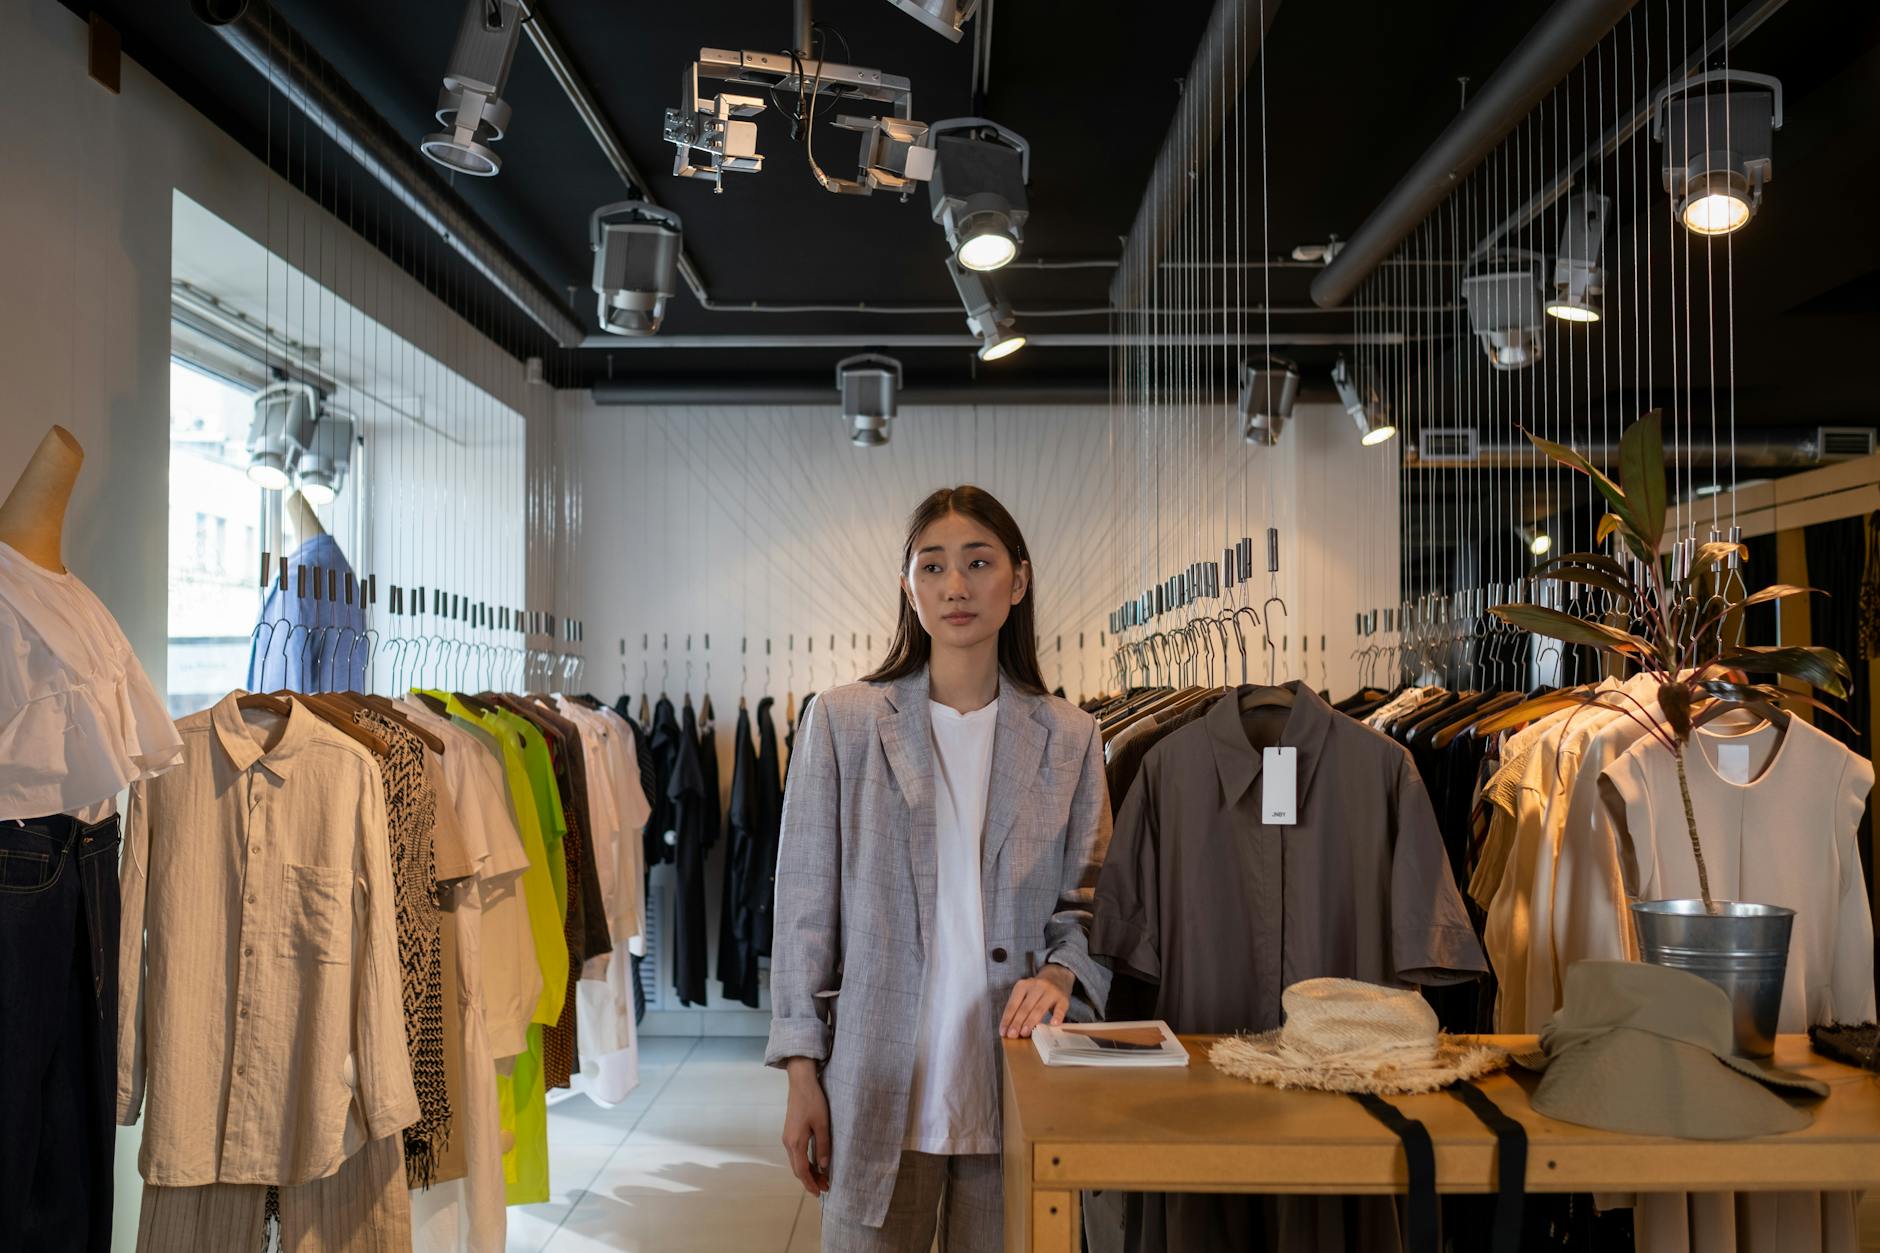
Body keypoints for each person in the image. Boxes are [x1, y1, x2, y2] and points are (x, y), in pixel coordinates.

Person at [767, 485, 1112, 1252]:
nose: (956, 586)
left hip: (1015, 1082)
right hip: (875, 1083)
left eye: (978, 562)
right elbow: (803, 909)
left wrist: (1060, 975)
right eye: (934, 566)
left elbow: (1088, 907)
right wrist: (800, 1072)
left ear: (1016, 582)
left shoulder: (1071, 736)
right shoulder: (843, 721)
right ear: (908, 587)